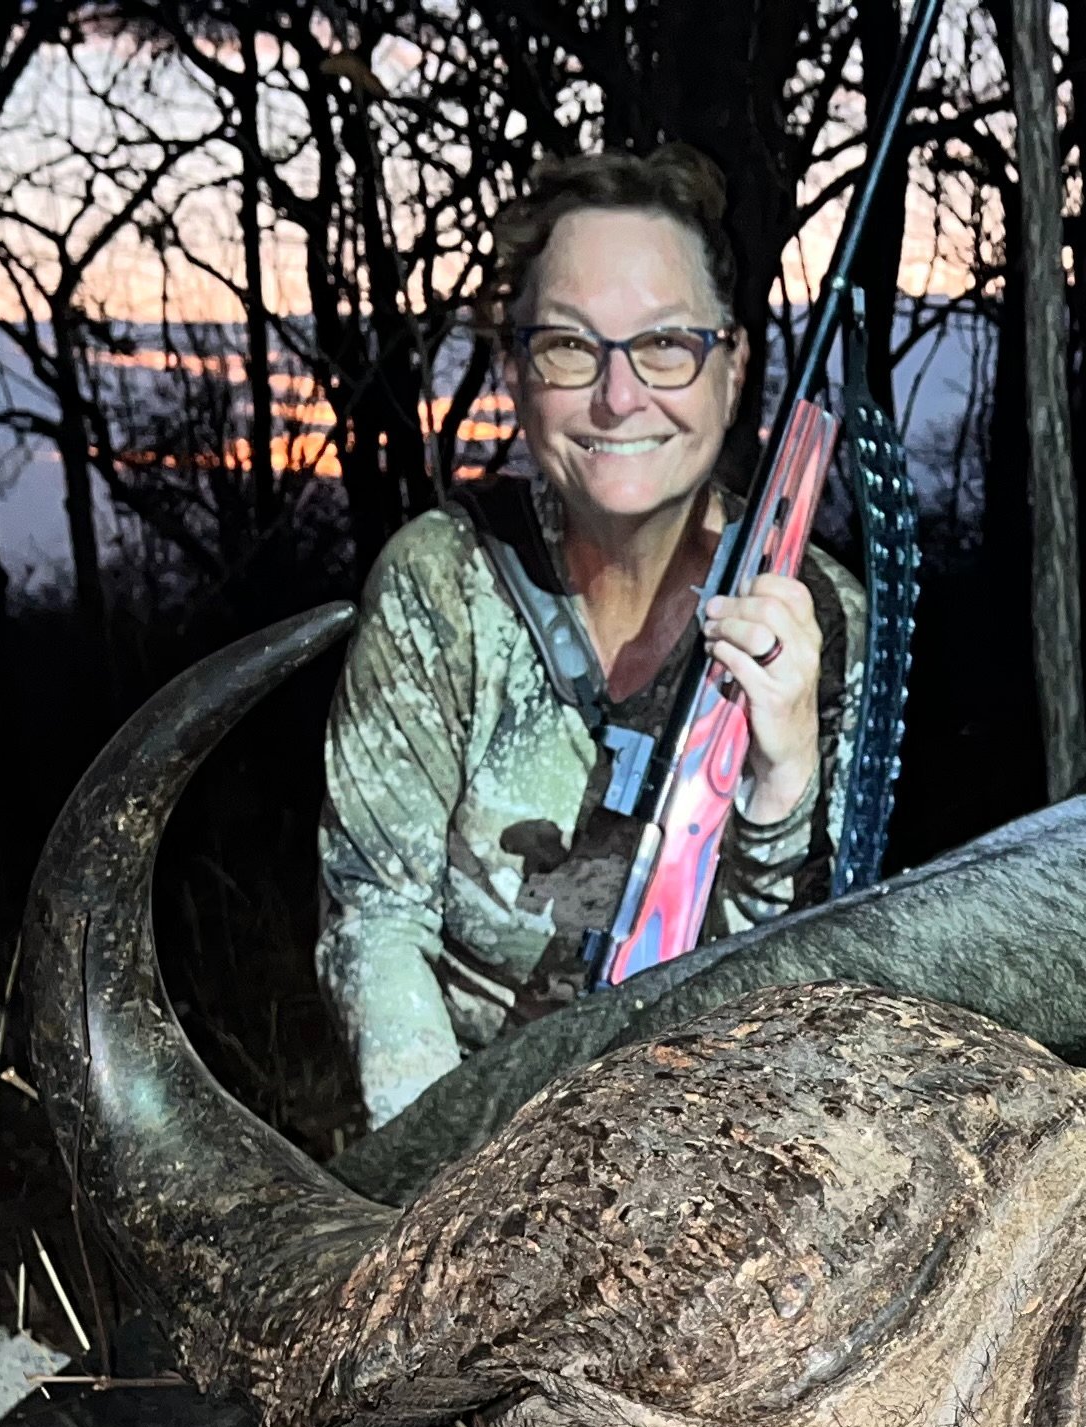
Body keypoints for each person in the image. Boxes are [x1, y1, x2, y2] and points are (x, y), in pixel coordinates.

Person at [320, 145, 866, 1132]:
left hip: (718, 1148)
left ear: (732, 369)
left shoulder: (818, 613)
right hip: (465, 1144)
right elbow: (375, 922)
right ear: (517, 372)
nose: (619, 397)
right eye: (572, 347)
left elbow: (808, 999)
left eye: (666, 345)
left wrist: (782, 792)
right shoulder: (439, 586)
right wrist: (446, 1187)